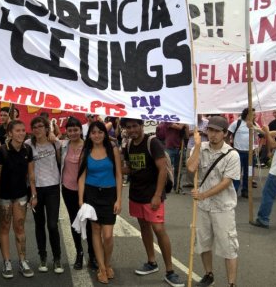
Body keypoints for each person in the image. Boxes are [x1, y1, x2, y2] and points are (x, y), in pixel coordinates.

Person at [122, 118, 184, 286]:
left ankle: (170, 271)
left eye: (135, 126)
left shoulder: (152, 142)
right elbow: (130, 168)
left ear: (142, 126)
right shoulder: (128, 145)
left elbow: (162, 169)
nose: (132, 130)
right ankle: (151, 262)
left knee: (158, 228)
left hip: (152, 195)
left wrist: (157, 195)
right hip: (136, 194)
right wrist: (114, 166)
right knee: (143, 226)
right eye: (129, 127)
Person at [186, 116, 240, 287]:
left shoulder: (232, 154)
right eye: (210, 130)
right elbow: (191, 168)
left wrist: (204, 194)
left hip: (223, 207)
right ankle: (209, 274)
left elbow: (226, 182)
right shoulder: (200, 148)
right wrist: (196, 146)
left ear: (225, 133)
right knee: (203, 242)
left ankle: (231, 283)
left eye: (217, 131)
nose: (213, 134)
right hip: (203, 207)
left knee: (228, 245)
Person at [0, 120, 37, 279]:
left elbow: (31, 175)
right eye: (17, 130)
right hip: (3, 196)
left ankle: (23, 261)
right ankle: (7, 262)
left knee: (20, 227)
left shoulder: (28, 149)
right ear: (9, 133)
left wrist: (34, 194)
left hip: (21, 195)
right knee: (4, 228)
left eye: (23, 130)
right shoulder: (1, 151)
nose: (21, 133)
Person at [78, 121, 122, 284]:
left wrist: (119, 199)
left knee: (108, 235)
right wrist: (81, 200)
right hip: (91, 194)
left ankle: (107, 262)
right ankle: (102, 268)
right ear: (89, 135)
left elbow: (118, 174)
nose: (96, 135)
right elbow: (82, 176)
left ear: (105, 133)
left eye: (100, 132)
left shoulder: (113, 150)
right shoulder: (86, 151)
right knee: (95, 230)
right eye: (93, 132)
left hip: (109, 194)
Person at [25, 116, 64, 274]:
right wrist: (32, 194)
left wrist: (57, 141)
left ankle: (57, 258)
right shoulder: (28, 144)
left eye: (40, 126)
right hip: (36, 189)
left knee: (53, 225)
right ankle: (43, 256)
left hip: (53, 187)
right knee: (39, 224)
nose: (37, 129)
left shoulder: (55, 143)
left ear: (47, 128)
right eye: (34, 127)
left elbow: (62, 161)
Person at [60, 117, 96, 270]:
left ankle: (92, 255)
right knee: (75, 222)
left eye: (76, 130)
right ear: (66, 132)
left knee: (89, 223)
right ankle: (79, 253)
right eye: (70, 130)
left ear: (81, 130)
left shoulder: (90, 146)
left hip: (87, 190)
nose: (73, 133)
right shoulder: (63, 146)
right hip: (68, 189)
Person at [226, 108, 262, 198]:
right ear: (247, 114)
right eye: (253, 114)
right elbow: (227, 135)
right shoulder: (237, 123)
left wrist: (258, 148)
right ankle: (234, 190)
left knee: (248, 173)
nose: (255, 116)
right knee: (236, 173)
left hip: (250, 154)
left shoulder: (255, 125)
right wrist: (229, 148)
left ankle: (245, 190)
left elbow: (262, 136)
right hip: (238, 153)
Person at [159, 122, 189, 187]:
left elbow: (187, 136)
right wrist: (184, 123)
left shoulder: (181, 123)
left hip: (179, 148)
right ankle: (165, 185)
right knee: (167, 168)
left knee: (178, 169)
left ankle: (177, 186)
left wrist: (186, 127)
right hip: (169, 148)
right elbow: (179, 127)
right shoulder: (168, 121)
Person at [184, 115, 209, 188]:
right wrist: (196, 131)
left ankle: (202, 181)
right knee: (189, 163)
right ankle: (190, 182)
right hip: (191, 145)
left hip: (203, 145)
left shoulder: (207, 122)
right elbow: (187, 135)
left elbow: (209, 134)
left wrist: (203, 133)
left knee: (203, 163)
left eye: (200, 114)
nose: (198, 116)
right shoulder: (190, 122)